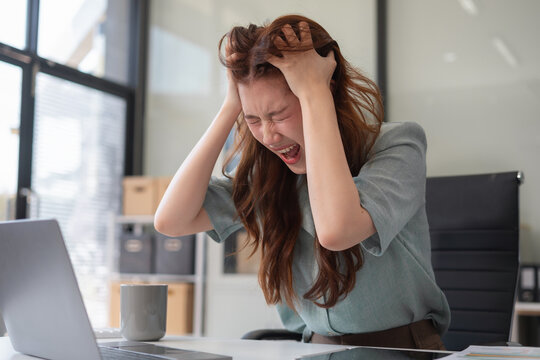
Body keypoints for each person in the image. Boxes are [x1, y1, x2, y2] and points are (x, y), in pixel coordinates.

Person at [154, 14, 450, 350]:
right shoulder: (268, 179)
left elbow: (337, 230)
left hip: (402, 350)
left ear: (326, 90)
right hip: (314, 350)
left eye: (279, 115)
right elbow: (171, 220)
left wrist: (313, 92)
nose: (268, 135)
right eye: (253, 119)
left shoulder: (398, 145)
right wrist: (229, 107)